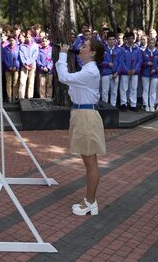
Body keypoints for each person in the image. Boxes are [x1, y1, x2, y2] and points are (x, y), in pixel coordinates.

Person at [56, 39, 106, 216]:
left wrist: (62, 54)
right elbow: (72, 87)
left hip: (86, 117)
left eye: (85, 46)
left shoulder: (90, 71)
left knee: (90, 163)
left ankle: (91, 203)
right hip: (81, 114)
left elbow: (64, 77)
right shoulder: (86, 70)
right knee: (88, 162)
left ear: (92, 53)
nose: (80, 48)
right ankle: (89, 200)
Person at [118, 32, 142, 111]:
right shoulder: (122, 49)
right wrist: (126, 70)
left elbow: (139, 61)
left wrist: (135, 70)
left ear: (134, 39)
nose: (131, 40)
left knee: (134, 88)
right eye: (129, 38)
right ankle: (123, 103)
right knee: (124, 88)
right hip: (125, 72)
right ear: (126, 39)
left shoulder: (137, 49)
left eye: (132, 38)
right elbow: (121, 61)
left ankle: (133, 104)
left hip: (135, 72)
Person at [141, 37, 158, 112]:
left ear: (155, 44)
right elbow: (141, 63)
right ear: (148, 43)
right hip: (145, 74)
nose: (151, 44)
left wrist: (155, 70)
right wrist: (146, 63)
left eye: (153, 43)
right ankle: (146, 105)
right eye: (150, 43)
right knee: (146, 89)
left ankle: (152, 105)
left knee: (153, 90)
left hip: (155, 74)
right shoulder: (144, 53)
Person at [100, 33, 121, 106]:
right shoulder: (103, 49)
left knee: (114, 91)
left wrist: (117, 72)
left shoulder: (119, 50)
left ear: (115, 40)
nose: (111, 41)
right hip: (106, 72)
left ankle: (113, 105)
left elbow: (120, 62)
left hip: (115, 73)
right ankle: (105, 106)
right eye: (110, 39)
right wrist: (107, 64)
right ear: (107, 40)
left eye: (113, 39)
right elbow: (99, 61)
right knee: (105, 91)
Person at [19, 34, 39, 99]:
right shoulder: (22, 46)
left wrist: (29, 63)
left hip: (32, 65)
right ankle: (21, 97)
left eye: (29, 37)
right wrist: (25, 64)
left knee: (31, 82)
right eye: (27, 37)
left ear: (32, 38)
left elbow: (35, 55)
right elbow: (21, 56)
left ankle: (30, 97)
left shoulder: (35, 45)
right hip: (24, 66)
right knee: (22, 82)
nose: (28, 38)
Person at [3, 35, 21, 103]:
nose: (11, 42)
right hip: (8, 69)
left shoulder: (18, 48)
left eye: (13, 40)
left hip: (16, 69)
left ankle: (14, 97)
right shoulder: (5, 48)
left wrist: (16, 67)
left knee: (15, 83)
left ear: (15, 41)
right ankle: (9, 97)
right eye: (10, 40)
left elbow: (19, 58)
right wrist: (9, 66)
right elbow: (4, 59)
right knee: (8, 83)